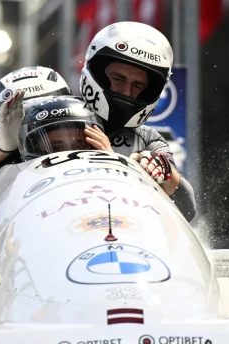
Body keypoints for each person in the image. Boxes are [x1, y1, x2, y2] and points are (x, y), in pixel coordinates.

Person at [79, 21, 195, 220]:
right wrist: (6, 144)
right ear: (97, 72)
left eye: (138, 85)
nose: (126, 92)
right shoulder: (59, 117)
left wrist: (166, 174)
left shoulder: (148, 140)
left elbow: (188, 209)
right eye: (118, 79)